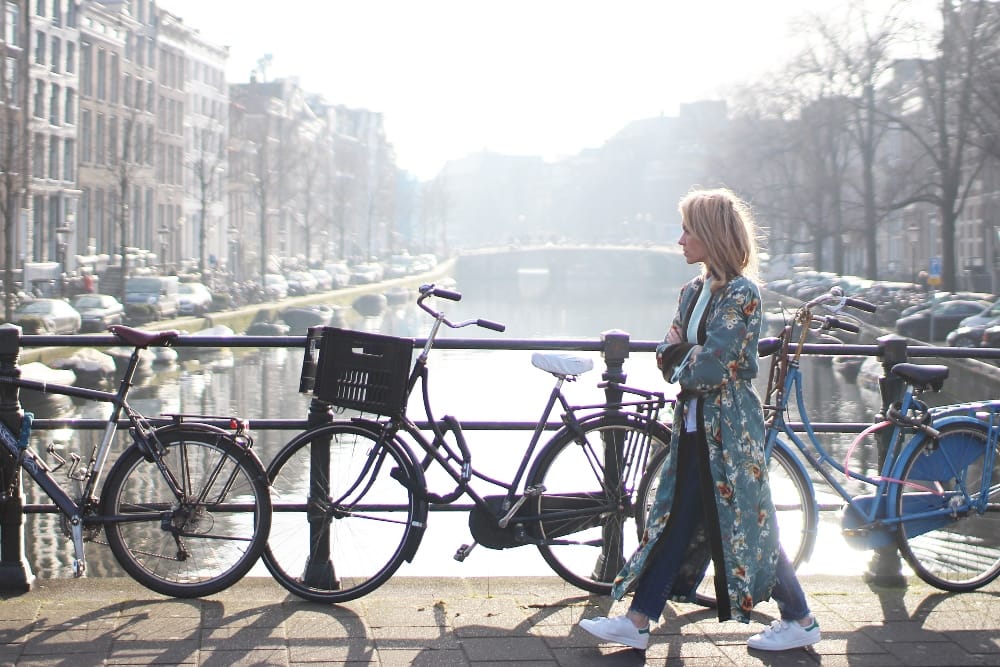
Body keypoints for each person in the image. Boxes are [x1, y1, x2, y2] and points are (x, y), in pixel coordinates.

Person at [578, 188, 821, 652]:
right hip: (691, 427)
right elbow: (668, 359)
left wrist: (682, 356)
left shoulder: (742, 295)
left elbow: (708, 367)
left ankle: (797, 617)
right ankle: (640, 619)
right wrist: (684, 357)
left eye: (688, 229)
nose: (680, 239)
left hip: (728, 432)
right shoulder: (691, 291)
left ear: (710, 235)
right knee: (683, 519)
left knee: (744, 522)